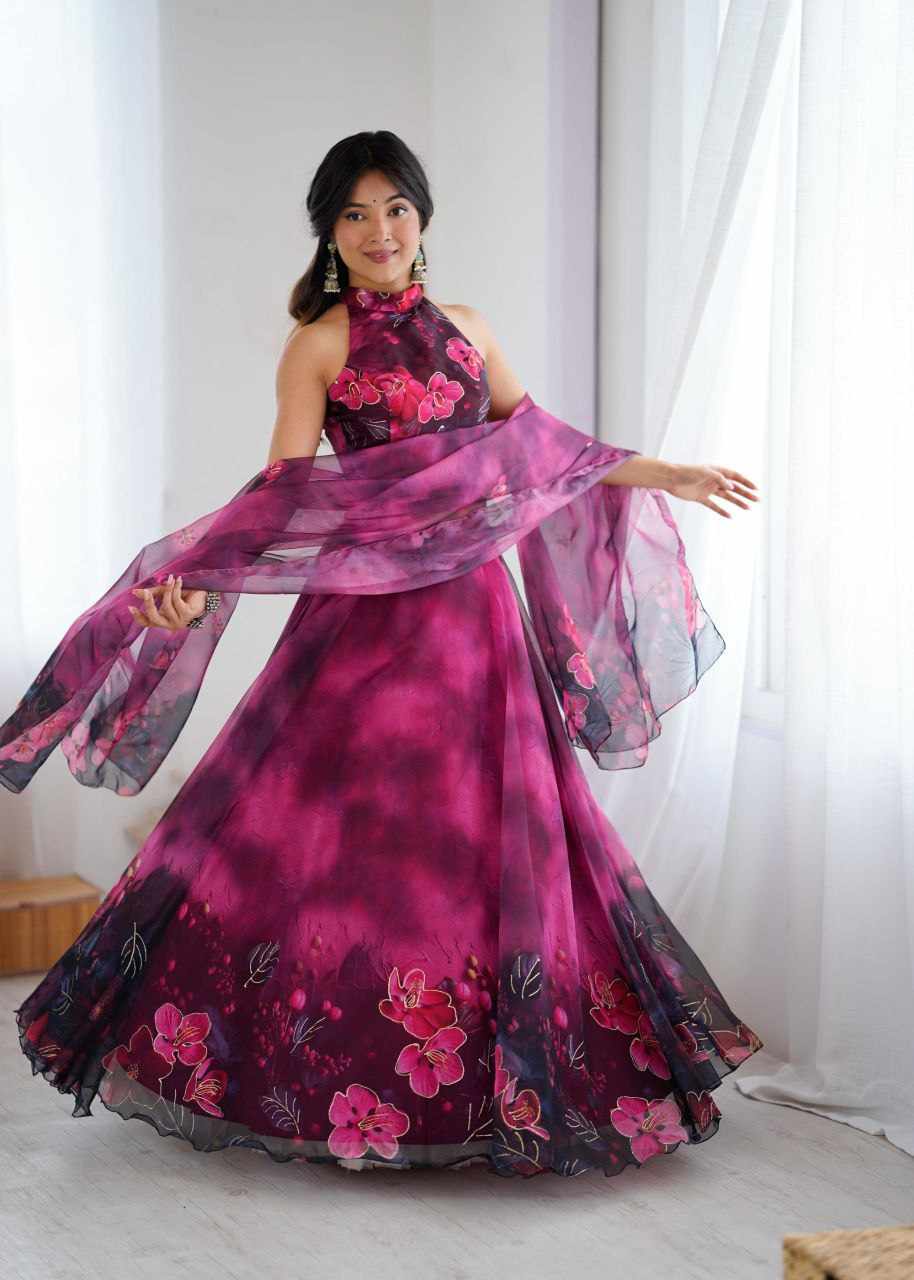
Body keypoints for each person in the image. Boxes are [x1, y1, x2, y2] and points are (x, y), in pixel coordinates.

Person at [9, 131, 763, 1179]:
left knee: (483, 837)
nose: (379, 231)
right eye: (355, 214)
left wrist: (664, 471)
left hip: (474, 626)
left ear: (422, 217)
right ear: (328, 232)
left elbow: (539, 449)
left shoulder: (468, 328)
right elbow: (280, 497)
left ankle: (503, 1088)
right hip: (360, 626)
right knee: (336, 841)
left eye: (395, 208)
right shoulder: (317, 345)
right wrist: (199, 584)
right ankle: (332, 1074)